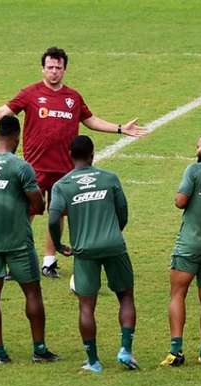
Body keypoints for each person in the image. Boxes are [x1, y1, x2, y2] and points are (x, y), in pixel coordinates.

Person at [0, 47, 146, 278]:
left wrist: (119, 128)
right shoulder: (30, 93)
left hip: (65, 170)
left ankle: (49, 261)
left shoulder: (73, 97)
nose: (54, 71)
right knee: (25, 213)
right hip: (34, 168)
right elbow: (5, 111)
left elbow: (90, 120)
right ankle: (18, 258)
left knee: (58, 214)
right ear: (43, 68)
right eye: (50, 67)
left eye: (58, 67)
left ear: (64, 69)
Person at [0, 116, 59, 364]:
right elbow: (38, 205)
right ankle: (39, 349)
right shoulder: (20, 167)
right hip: (18, 242)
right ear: (17, 137)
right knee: (32, 293)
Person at [49, 135, 137, 373]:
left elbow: (54, 217)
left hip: (84, 250)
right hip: (114, 245)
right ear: (92, 154)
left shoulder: (62, 185)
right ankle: (126, 351)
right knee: (126, 297)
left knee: (86, 306)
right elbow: (123, 211)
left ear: (70, 155)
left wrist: (58, 245)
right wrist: (113, 232)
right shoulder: (109, 178)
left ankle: (93, 361)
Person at [161, 131, 201, 367]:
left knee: (178, 294)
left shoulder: (194, 170)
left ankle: (176, 351)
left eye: (198, 145)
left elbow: (180, 201)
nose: (195, 148)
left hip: (189, 244)